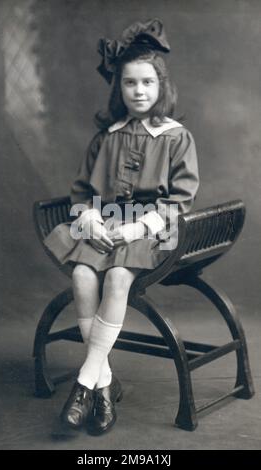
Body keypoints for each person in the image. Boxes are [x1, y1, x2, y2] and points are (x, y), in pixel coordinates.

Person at [44, 18, 199, 436]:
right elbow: (81, 193)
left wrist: (136, 229)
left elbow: (181, 199)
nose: (139, 91)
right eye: (130, 83)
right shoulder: (106, 136)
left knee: (115, 277)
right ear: (119, 88)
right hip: (105, 225)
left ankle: (84, 382)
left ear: (161, 85)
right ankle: (106, 385)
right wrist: (90, 217)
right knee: (81, 273)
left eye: (147, 82)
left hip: (151, 230)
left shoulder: (175, 136)